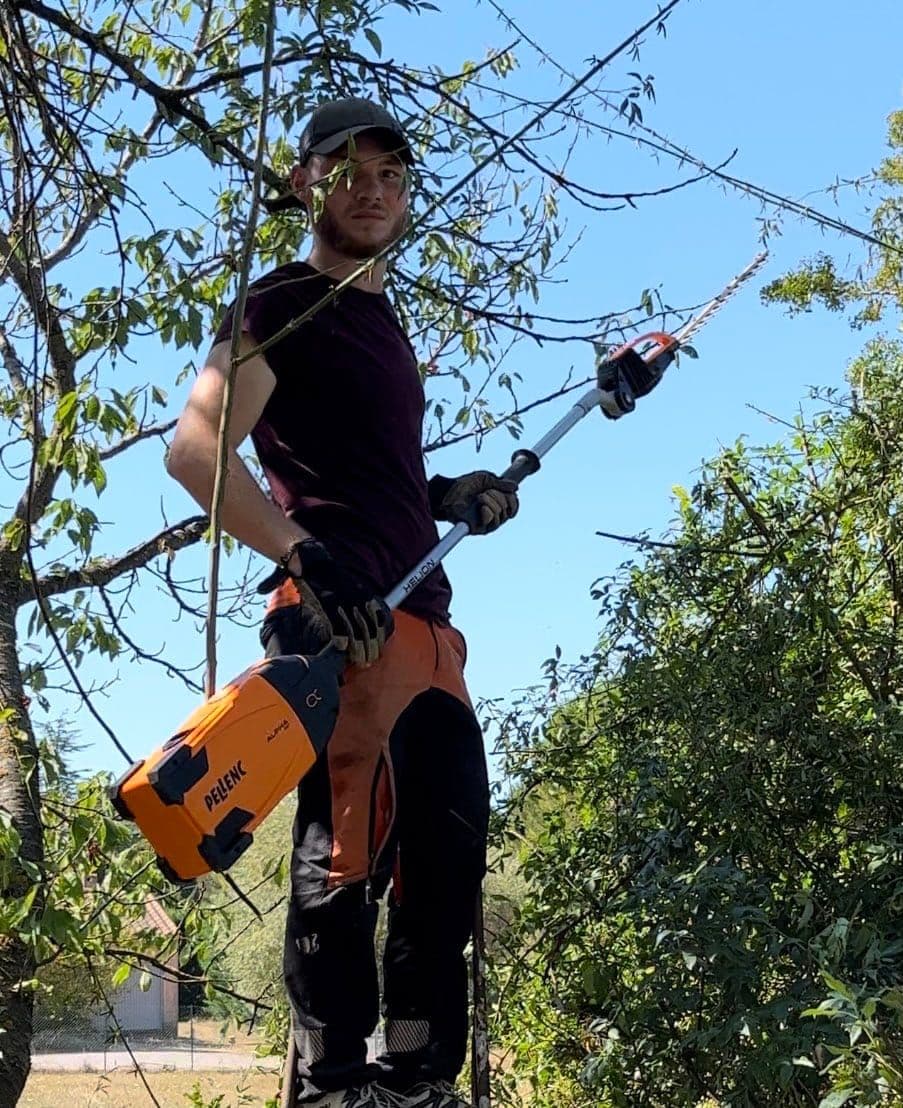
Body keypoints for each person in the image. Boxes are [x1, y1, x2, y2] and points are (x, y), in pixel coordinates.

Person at [166, 96, 519, 1108]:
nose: (371, 189)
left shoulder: (380, 321)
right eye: (347, 169)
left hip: (427, 631)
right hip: (345, 624)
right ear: (303, 183)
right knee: (348, 853)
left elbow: (371, 472)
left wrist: (445, 495)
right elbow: (196, 450)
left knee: (444, 859)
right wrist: (305, 555)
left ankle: (416, 1075)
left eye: (390, 174)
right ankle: (332, 1081)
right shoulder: (283, 303)